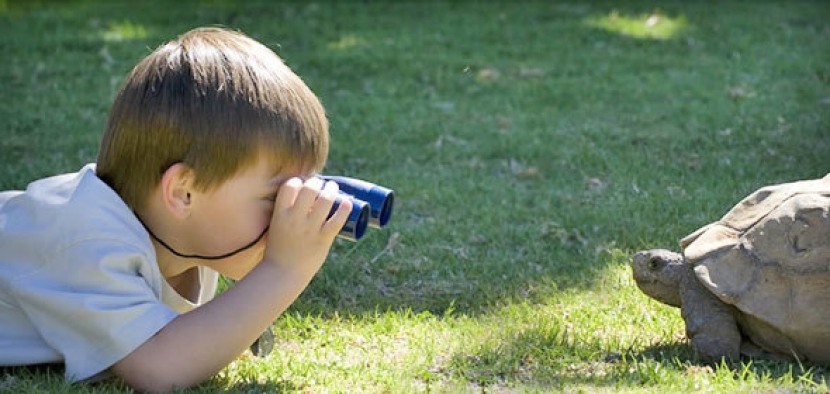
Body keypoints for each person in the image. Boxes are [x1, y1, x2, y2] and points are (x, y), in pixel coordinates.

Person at [0, 26, 351, 392]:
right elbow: (160, 368)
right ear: (184, 193)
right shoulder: (87, 242)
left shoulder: (184, 240)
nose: (288, 212)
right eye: (274, 199)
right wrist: (284, 269)